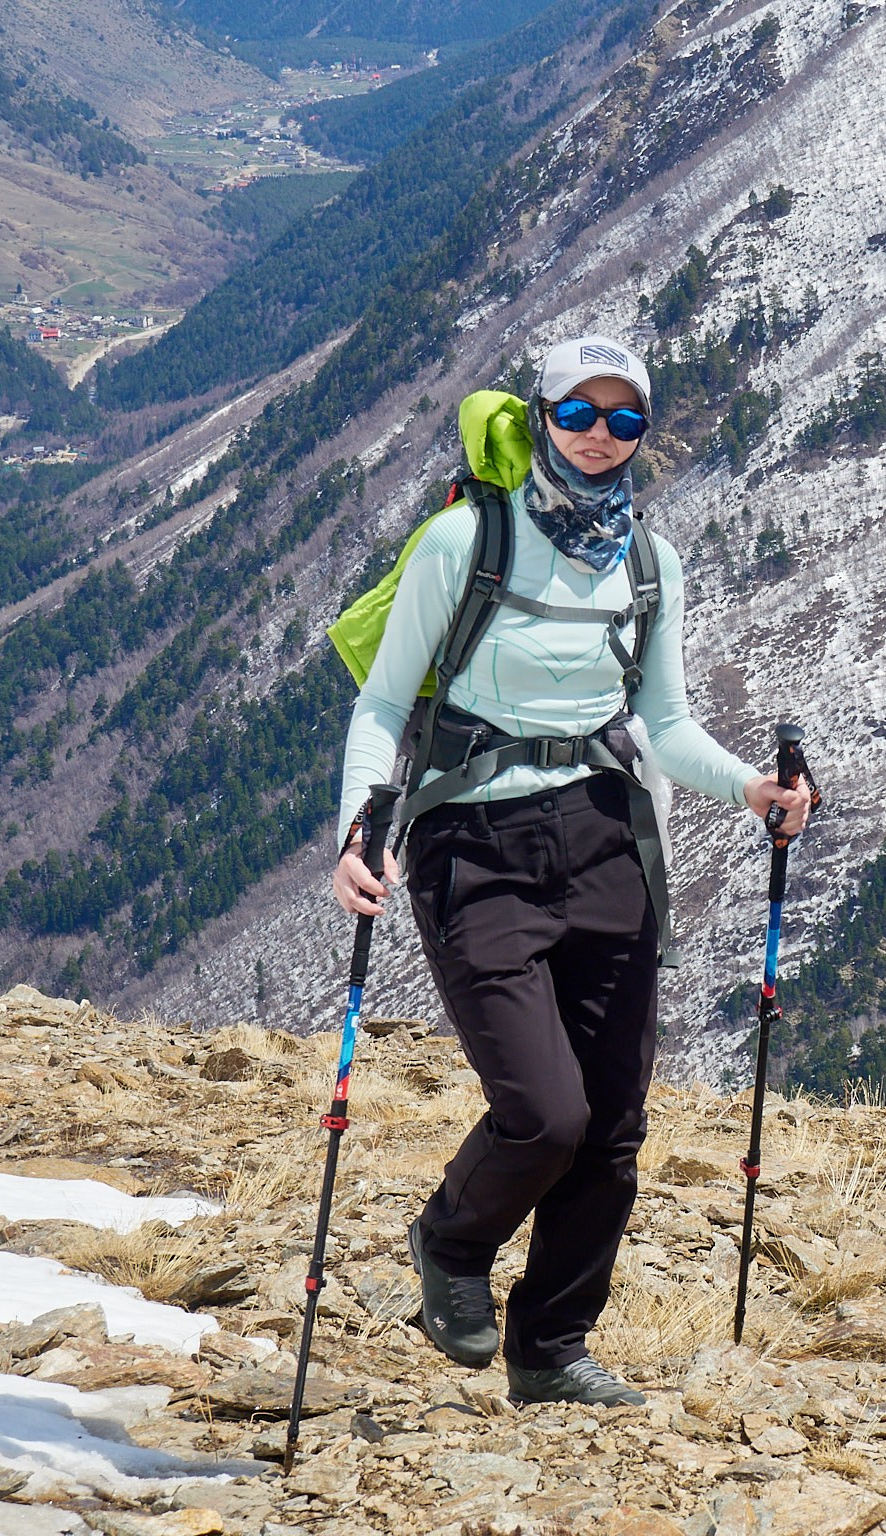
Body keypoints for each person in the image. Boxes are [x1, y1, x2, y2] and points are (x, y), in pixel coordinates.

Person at [330, 335, 812, 1407]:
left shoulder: (648, 561)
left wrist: (749, 791)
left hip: (607, 836)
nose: (600, 439)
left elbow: (665, 721)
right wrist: (358, 829)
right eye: (578, 416)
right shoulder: (464, 542)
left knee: (611, 1119)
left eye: (623, 421)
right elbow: (380, 703)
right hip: (474, 845)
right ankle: (451, 1245)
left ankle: (549, 1351)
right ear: (538, 414)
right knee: (542, 1114)